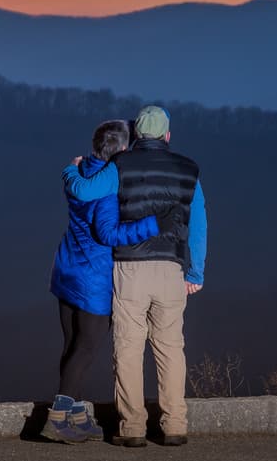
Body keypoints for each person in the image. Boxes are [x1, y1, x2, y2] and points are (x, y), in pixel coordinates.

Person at [62, 105, 206, 448]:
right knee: (171, 348)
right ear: (168, 136)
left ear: (137, 136)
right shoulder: (189, 170)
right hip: (172, 268)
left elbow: (83, 192)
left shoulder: (120, 165)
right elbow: (198, 223)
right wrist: (195, 270)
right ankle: (174, 425)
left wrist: (72, 169)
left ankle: (133, 428)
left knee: (128, 348)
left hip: (130, 268)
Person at [42, 119, 178, 443]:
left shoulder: (82, 170)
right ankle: (58, 419)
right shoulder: (108, 185)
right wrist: (152, 225)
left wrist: (70, 168)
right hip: (93, 279)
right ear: (121, 149)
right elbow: (108, 234)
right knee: (86, 349)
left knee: (72, 346)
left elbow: (73, 182)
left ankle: (75, 416)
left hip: (66, 269)